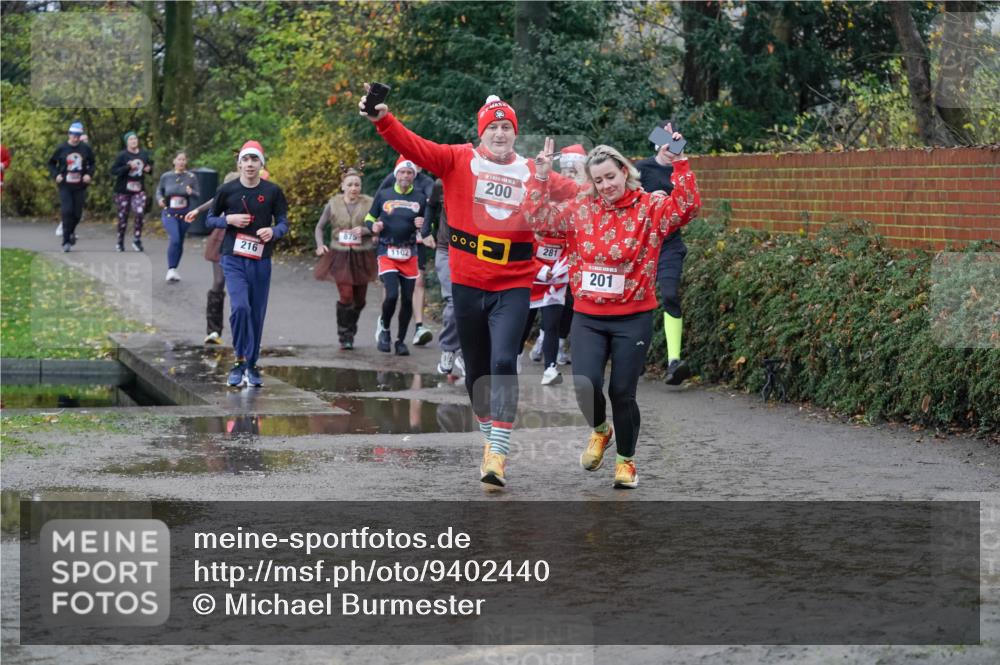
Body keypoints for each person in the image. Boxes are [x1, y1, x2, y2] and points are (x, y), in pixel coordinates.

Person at [360, 90, 580, 489]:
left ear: (515, 133)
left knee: (502, 362)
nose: (499, 133)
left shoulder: (535, 170)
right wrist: (383, 120)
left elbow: (591, 194)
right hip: (466, 281)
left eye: (506, 127)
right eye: (493, 127)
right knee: (476, 371)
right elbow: (414, 146)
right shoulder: (458, 159)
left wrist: (637, 193)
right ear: (481, 132)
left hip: (514, 281)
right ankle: (489, 427)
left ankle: (497, 451)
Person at [526, 137, 701, 489]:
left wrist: (680, 163)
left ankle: (626, 461)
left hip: (632, 317)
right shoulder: (579, 208)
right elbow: (540, 221)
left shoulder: (650, 207)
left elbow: (687, 207)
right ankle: (600, 431)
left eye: (610, 176)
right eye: (598, 180)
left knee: (623, 392)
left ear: (625, 171)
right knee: (585, 384)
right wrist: (540, 177)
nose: (606, 186)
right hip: (588, 317)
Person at [206, 141, 289, 388]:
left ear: (261, 164)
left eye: (255, 160)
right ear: (239, 163)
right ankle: (239, 360)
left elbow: (284, 222)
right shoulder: (226, 190)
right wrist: (228, 219)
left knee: (256, 313)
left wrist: (273, 231)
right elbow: (210, 220)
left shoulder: (273, 191)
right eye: (246, 160)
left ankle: (251, 365)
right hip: (232, 258)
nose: (250, 164)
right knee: (240, 307)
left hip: (260, 260)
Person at [635, 121, 691, 385]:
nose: (671, 148)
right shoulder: (640, 169)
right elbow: (627, 201)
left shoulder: (681, 170)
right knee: (638, 301)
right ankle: (635, 358)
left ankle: (673, 362)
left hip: (669, 243)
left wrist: (668, 203)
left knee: (669, 294)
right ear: (657, 141)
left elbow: (688, 203)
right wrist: (648, 199)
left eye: (677, 142)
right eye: (666, 141)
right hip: (642, 244)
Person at [529, 143, 586, 366]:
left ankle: (558, 344)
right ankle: (541, 340)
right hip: (545, 259)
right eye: (567, 171)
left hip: (574, 256)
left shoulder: (585, 193)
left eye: (575, 172)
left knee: (570, 302)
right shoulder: (554, 189)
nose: (570, 176)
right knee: (541, 302)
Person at [365, 157, 426, 356]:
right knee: (391, 295)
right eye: (402, 172)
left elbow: (429, 225)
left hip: (409, 253)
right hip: (387, 251)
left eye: (409, 173)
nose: (405, 176)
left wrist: (423, 225)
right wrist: (373, 227)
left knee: (407, 299)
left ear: (413, 176)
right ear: (396, 174)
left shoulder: (419, 198)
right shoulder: (384, 194)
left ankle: (400, 340)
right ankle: (384, 329)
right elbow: (369, 217)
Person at [314, 166, 376, 349]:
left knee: (360, 300)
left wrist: (366, 230)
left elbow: (379, 225)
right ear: (342, 186)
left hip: (362, 254)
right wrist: (320, 245)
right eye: (350, 185)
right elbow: (319, 227)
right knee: (346, 295)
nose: (354, 188)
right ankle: (345, 336)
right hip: (339, 254)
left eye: (357, 185)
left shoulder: (370, 203)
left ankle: (351, 326)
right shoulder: (333, 204)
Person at [378, 157, 436, 347]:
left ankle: (418, 327)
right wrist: (377, 226)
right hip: (391, 240)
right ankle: (384, 322)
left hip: (415, 240)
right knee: (391, 288)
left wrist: (426, 229)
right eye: (405, 168)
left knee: (417, 281)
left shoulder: (427, 183)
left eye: (416, 164)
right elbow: (380, 202)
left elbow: (431, 206)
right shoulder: (392, 178)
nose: (409, 172)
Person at [186, 171, 240, 344]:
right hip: (221, 238)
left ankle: (245, 331)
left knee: (240, 286)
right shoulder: (226, 189)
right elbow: (214, 201)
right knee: (218, 282)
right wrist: (197, 210)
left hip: (242, 240)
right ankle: (213, 331)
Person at [518, 236, 570, 385]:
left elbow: (574, 246)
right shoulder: (528, 220)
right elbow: (521, 250)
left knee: (552, 325)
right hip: (530, 281)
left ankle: (550, 368)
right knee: (523, 325)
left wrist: (561, 268)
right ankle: (514, 359)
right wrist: (540, 269)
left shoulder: (569, 219)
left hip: (555, 281)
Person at [426, 177, 465, 377]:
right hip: (446, 249)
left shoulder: (486, 182)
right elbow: (431, 206)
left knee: (473, 304)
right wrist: (426, 231)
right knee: (453, 300)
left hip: (474, 252)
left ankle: (466, 354)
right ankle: (448, 350)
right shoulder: (442, 183)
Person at [47, 121, 95, 252]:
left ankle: (71, 232)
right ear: (69, 134)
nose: (76, 138)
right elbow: (51, 163)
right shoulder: (62, 148)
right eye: (74, 135)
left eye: (78, 135)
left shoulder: (85, 148)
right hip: (65, 185)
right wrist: (56, 174)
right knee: (67, 211)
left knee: (77, 214)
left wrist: (89, 174)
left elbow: (92, 163)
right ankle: (66, 241)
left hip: (80, 185)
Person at [156, 152, 200, 281]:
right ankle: (170, 269)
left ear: (186, 162)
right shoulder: (166, 176)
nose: (181, 162)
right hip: (169, 212)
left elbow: (198, 195)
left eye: (183, 160)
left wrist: (192, 192)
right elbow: (159, 191)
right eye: (179, 159)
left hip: (185, 214)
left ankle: (174, 269)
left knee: (179, 241)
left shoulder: (191, 177)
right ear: (174, 161)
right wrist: (159, 199)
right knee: (174, 238)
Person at [110, 131, 153, 252]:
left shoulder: (143, 154)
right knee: (123, 217)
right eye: (131, 139)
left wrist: (148, 169)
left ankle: (137, 239)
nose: (134, 141)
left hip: (139, 189)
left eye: (135, 139)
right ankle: (120, 241)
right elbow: (113, 171)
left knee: (139, 212)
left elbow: (149, 167)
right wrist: (128, 167)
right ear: (127, 142)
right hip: (123, 190)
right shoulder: (122, 155)